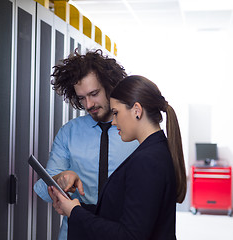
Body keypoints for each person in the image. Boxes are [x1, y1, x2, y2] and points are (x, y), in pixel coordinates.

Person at [49, 75, 187, 240]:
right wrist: (76, 208)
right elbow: (124, 217)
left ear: (137, 110)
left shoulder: (147, 160)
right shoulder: (155, 151)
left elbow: (130, 236)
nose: (113, 122)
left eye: (116, 113)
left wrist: (75, 212)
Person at [33, 49, 139, 240]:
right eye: (81, 98)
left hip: (123, 232)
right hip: (75, 232)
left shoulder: (136, 131)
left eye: (94, 94)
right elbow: (42, 189)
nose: (88, 104)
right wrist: (60, 179)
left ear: (110, 86)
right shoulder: (69, 132)